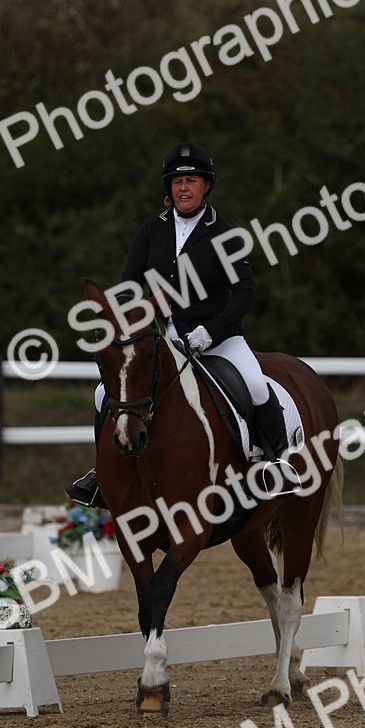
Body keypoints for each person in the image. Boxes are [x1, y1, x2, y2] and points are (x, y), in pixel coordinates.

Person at [67, 142, 297, 506]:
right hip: (162, 339)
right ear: (168, 188)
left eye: (191, 180)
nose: (183, 188)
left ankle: (276, 463)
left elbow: (244, 292)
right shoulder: (149, 231)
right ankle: (103, 474)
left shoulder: (224, 233)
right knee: (102, 394)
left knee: (254, 384)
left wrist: (213, 331)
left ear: (206, 185)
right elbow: (128, 286)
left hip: (218, 339)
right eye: (176, 181)